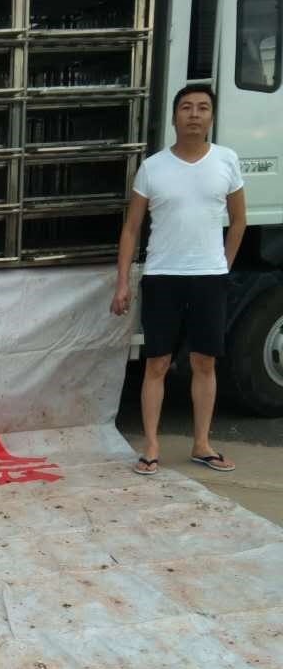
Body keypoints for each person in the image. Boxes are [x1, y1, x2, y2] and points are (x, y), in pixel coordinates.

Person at [111, 85, 247, 474]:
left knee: (204, 362)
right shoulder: (153, 167)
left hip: (209, 278)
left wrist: (223, 265)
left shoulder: (226, 160)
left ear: (212, 117)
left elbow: (239, 221)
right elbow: (132, 228)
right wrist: (123, 282)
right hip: (162, 277)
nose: (194, 114)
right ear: (174, 117)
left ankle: (202, 443)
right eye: (186, 107)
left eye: (203, 108)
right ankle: (151, 446)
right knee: (157, 362)